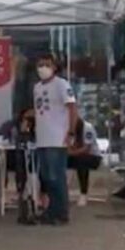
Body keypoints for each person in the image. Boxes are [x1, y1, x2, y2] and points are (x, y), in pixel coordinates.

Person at [31, 54, 77, 226]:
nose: (42, 67)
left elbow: (72, 107)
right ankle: (51, 210)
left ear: (54, 67)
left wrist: (71, 132)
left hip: (57, 138)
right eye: (40, 64)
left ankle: (61, 212)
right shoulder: (36, 87)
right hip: (42, 138)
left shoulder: (61, 85)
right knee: (46, 177)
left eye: (47, 64)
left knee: (56, 175)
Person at [67, 117, 103, 207]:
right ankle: (63, 192)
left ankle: (83, 193)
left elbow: (86, 149)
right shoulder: (69, 129)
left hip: (93, 157)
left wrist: (71, 153)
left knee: (81, 162)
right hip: (76, 154)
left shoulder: (87, 128)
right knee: (61, 162)